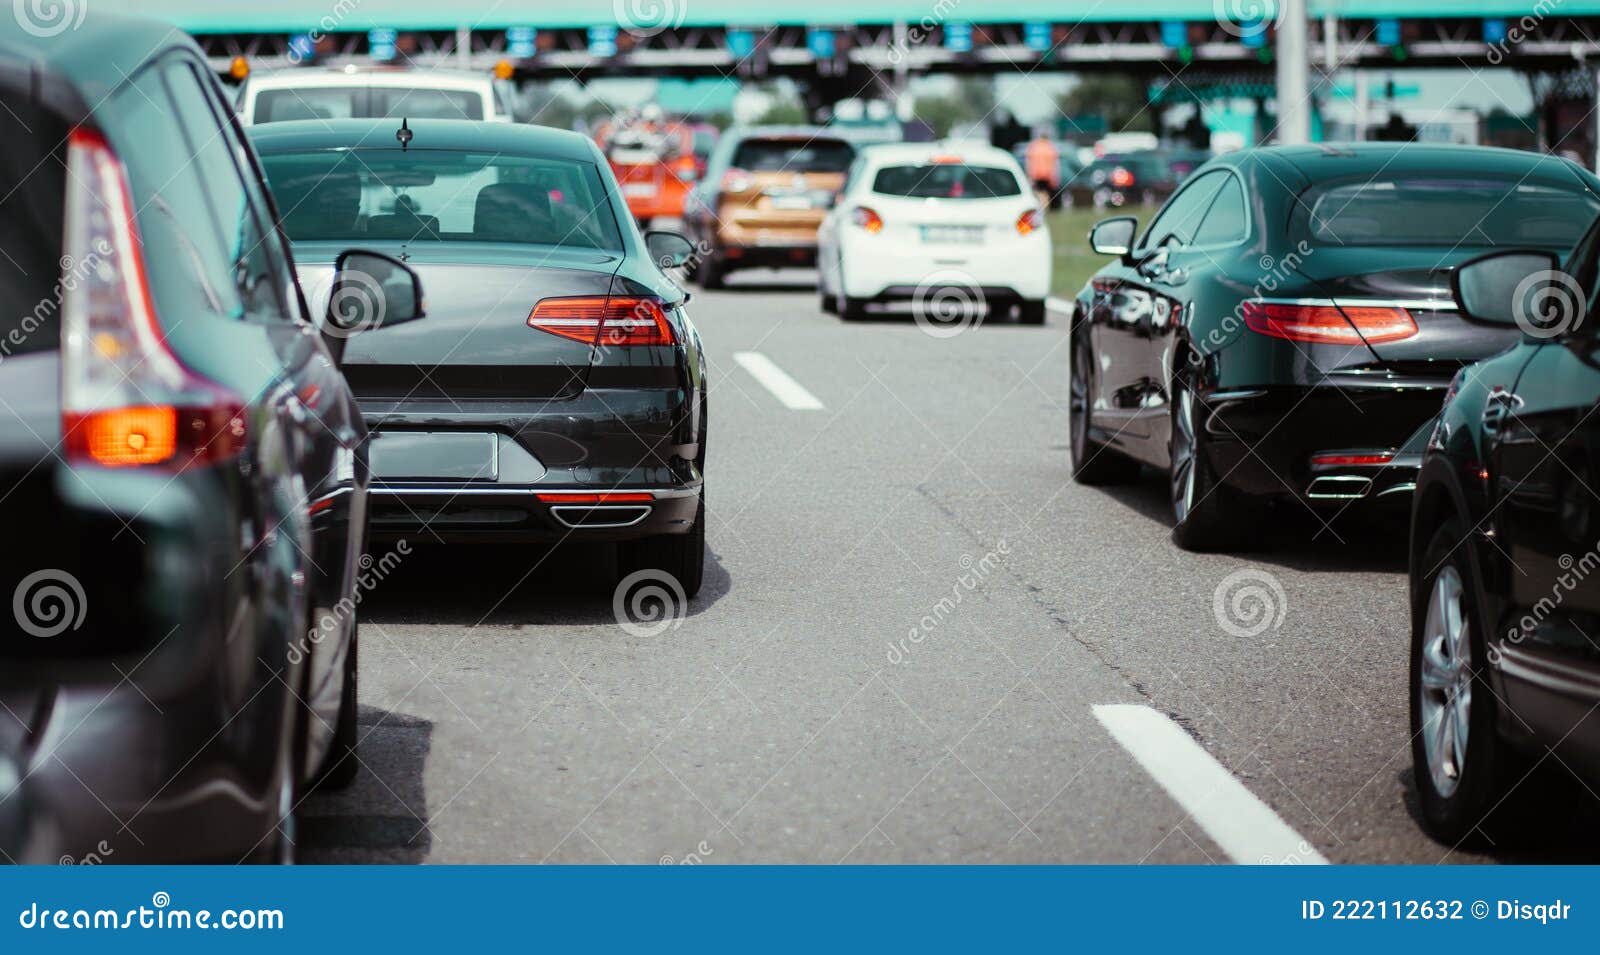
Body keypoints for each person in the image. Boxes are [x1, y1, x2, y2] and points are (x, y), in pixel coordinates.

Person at [1025, 131, 1062, 209]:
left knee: (1040, 193)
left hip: (1037, 175)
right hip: (1048, 175)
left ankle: (1043, 208)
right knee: (1046, 193)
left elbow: (1029, 163)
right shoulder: (1050, 147)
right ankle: (1045, 208)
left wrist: (1030, 175)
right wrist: (1055, 177)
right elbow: (1055, 164)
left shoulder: (1033, 147)